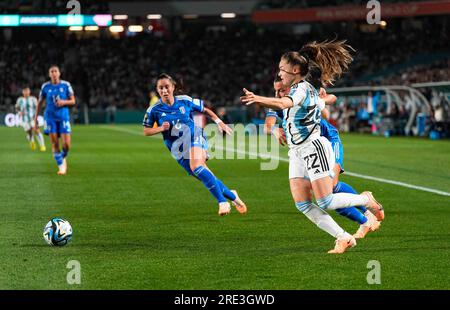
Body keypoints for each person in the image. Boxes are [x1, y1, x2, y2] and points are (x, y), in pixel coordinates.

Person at [241, 40, 384, 253]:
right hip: (297, 151)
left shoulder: (300, 90)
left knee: (325, 200)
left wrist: (256, 98)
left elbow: (284, 104)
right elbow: (319, 102)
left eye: (282, 68)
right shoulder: (298, 91)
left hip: (314, 146)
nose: (279, 72)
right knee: (303, 204)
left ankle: (366, 200)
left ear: (295, 70)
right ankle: (343, 237)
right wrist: (324, 101)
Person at [264, 76, 380, 239]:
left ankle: (366, 211)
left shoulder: (303, 95)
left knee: (330, 188)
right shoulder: (280, 103)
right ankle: (365, 220)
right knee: (321, 193)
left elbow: (328, 107)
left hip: (328, 140)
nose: (278, 94)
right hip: (307, 149)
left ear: (291, 87)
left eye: (281, 90)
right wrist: (276, 130)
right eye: (276, 90)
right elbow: (267, 126)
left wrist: (322, 99)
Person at [143, 73, 247, 216]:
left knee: (196, 166)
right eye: (160, 88)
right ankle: (232, 195)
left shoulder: (184, 100)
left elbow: (206, 110)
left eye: (167, 87)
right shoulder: (153, 110)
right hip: (177, 149)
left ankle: (223, 202)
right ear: (157, 89)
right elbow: (146, 131)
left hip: (194, 137)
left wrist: (219, 122)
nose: (164, 91)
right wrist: (161, 128)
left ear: (173, 87)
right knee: (203, 175)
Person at [35, 65, 76, 175]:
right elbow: (39, 103)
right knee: (54, 143)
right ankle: (61, 167)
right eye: (51, 71)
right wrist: (35, 120)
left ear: (59, 73)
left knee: (66, 145)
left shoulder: (66, 85)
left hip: (63, 117)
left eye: (55, 71)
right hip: (50, 118)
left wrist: (63, 102)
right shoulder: (45, 86)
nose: (53, 73)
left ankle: (62, 157)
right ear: (49, 74)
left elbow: (73, 101)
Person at [15, 86, 46, 151]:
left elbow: (37, 107)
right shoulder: (20, 100)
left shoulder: (33, 99)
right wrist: (19, 112)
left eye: (27, 91)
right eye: (24, 91)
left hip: (33, 118)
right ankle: (32, 142)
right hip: (24, 120)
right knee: (29, 132)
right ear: (23, 92)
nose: (26, 92)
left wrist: (36, 117)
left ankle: (42, 145)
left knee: (37, 130)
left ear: (29, 91)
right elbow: (17, 107)